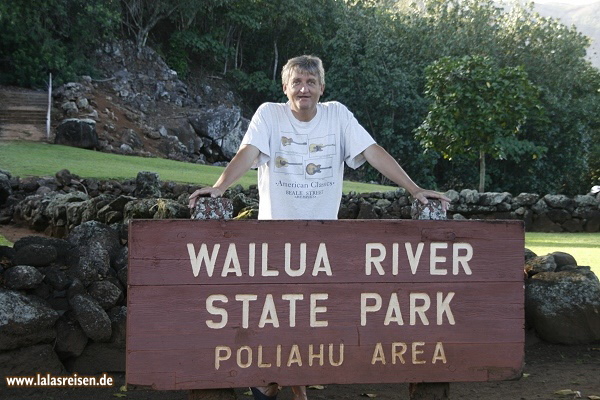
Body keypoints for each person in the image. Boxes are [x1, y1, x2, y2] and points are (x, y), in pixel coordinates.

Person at [189, 55, 450, 400]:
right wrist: (220, 187)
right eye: (296, 82)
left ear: (322, 88)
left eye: (311, 82)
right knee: (279, 319)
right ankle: (287, 389)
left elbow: (373, 152)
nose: (304, 88)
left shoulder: (338, 115)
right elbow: (248, 152)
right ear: (285, 88)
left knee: (309, 321)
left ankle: (271, 385)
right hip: (276, 241)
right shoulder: (269, 114)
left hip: (323, 242)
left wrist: (415, 189)